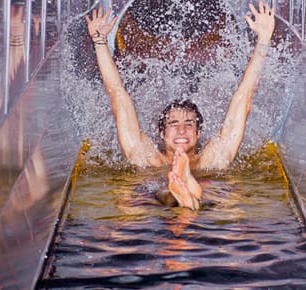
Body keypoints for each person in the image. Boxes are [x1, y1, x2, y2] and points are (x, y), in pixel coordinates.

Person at [85, 0, 276, 210]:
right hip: (177, 206)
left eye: (189, 124)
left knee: (221, 204)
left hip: (192, 204)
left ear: (199, 132)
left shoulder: (212, 157)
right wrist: (100, 41)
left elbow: (244, 98)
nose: (182, 130)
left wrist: (264, 40)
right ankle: (186, 192)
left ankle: (185, 191)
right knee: (134, 205)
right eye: (173, 124)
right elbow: (118, 96)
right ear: (161, 133)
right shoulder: (148, 156)